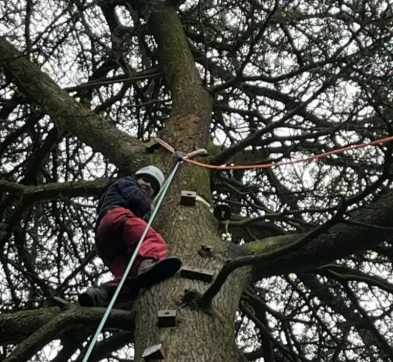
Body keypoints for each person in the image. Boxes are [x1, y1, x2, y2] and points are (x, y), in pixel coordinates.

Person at [78, 165, 182, 307]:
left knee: (130, 277)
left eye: (153, 186)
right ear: (136, 178)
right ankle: (148, 263)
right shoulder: (127, 182)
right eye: (145, 180)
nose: (148, 185)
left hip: (110, 245)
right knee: (150, 238)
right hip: (118, 218)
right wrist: (150, 208)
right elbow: (137, 200)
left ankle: (102, 293)